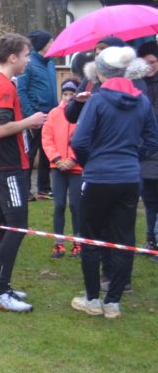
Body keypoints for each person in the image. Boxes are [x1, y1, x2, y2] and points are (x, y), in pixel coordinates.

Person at [70, 46, 158, 319]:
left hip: (98, 177)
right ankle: (113, 302)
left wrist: (90, 162)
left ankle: (93, 299)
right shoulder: (142, 101)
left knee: (90, 238)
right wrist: (133, 157)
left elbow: (79, 142)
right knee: (123, 239)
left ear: (101, 73)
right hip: (129, 178)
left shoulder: (97, 100)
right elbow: (153, 139)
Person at [0, 33, 47, 313]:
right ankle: (1, 291)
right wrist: (30, 121)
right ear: (12, 57)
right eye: (26, 55)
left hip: (0, 165)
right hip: (8, 167)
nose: (28, 61)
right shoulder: (4, 87)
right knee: (16, 226)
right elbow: (1, 129)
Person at [41, 79, 83, 259]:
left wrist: (73, 159)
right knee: (59, 205)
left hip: (77, 168)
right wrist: (57, 160)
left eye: (71, 94)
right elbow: (47, 138)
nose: (68, 98)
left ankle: (78, 242)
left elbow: (85, 139)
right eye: (65, 94)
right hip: (57, 167)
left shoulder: (83, 113)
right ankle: (58, 243)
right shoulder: (53, 113)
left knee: (76, 206)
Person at [16, 30, 58, 199]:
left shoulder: (50, 63)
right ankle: (25, 190)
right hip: (34, 116)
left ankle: (44, 189)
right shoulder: (29, 64)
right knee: (29, 153)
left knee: (47, 152)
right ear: (42, 45)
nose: (53, 44)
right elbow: (21, 90)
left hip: (50, 116)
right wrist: (31, 115)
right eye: (50, 42)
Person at [138, 41, 158, 257]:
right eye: (145, 63)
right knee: (150, 201)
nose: (149, 66)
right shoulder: (138, 86)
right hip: (144, 151)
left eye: (153, 62)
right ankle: (151, 240)